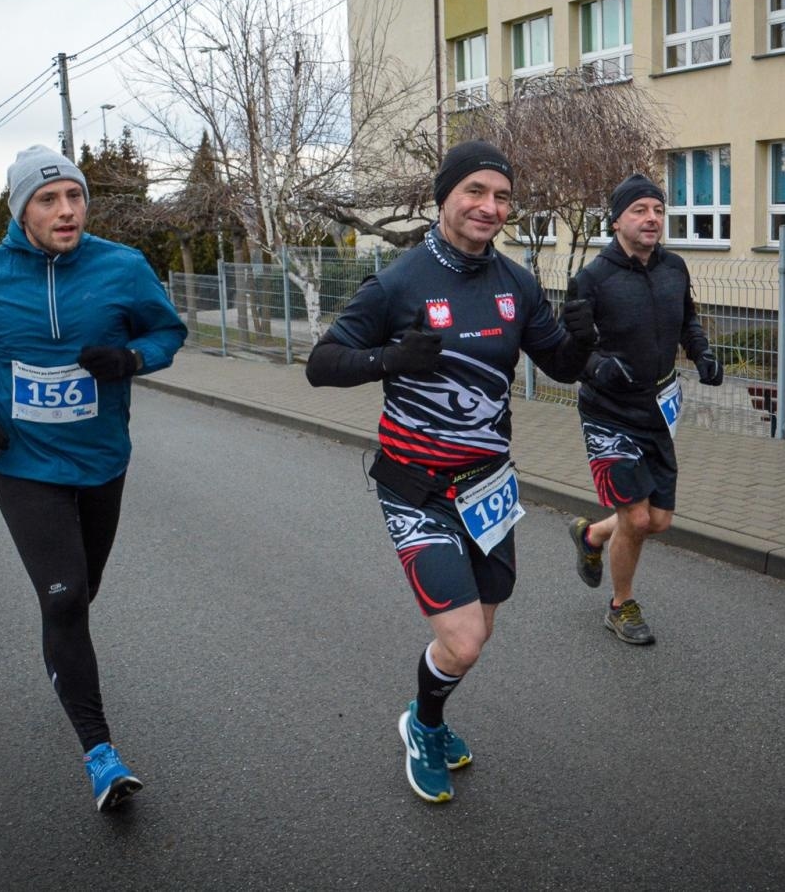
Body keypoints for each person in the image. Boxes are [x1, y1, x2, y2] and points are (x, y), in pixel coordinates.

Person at [305, 139, 597, 804]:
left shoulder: (516, 283)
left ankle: (425, 716)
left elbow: (561, 366)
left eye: (501, 197)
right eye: (475, 192)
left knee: (481, 630)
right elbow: (322, 366)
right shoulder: (400, 281)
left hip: (489, 487)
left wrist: (582, 336)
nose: (490, 207)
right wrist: (391, 359)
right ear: (445, 197)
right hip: (417, 489)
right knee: (462, 640)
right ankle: (423, 727)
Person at [0, 145, 188, 812]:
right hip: (21, 463)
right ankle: (101, 753)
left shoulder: (121, 268)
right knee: (65, 595)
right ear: (21, 210)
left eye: (74, 196)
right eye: (49, 199)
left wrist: (131, 358)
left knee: (81, 589)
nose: (67, 210)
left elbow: (167, 333)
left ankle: (63, 657)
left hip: (101, 461)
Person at [564, 174, 723, 645]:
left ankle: (592, 535)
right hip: (608, 414)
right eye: (639, 210)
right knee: (635, 519)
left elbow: (687, 319)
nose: (652, 218)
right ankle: (621, 606)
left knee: (658, 520)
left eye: (658, 209)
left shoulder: (673, 268)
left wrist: (702, 353)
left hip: (658, 410)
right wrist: (597, 368)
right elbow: (566, 350)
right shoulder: (591, 279)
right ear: (616, 221)